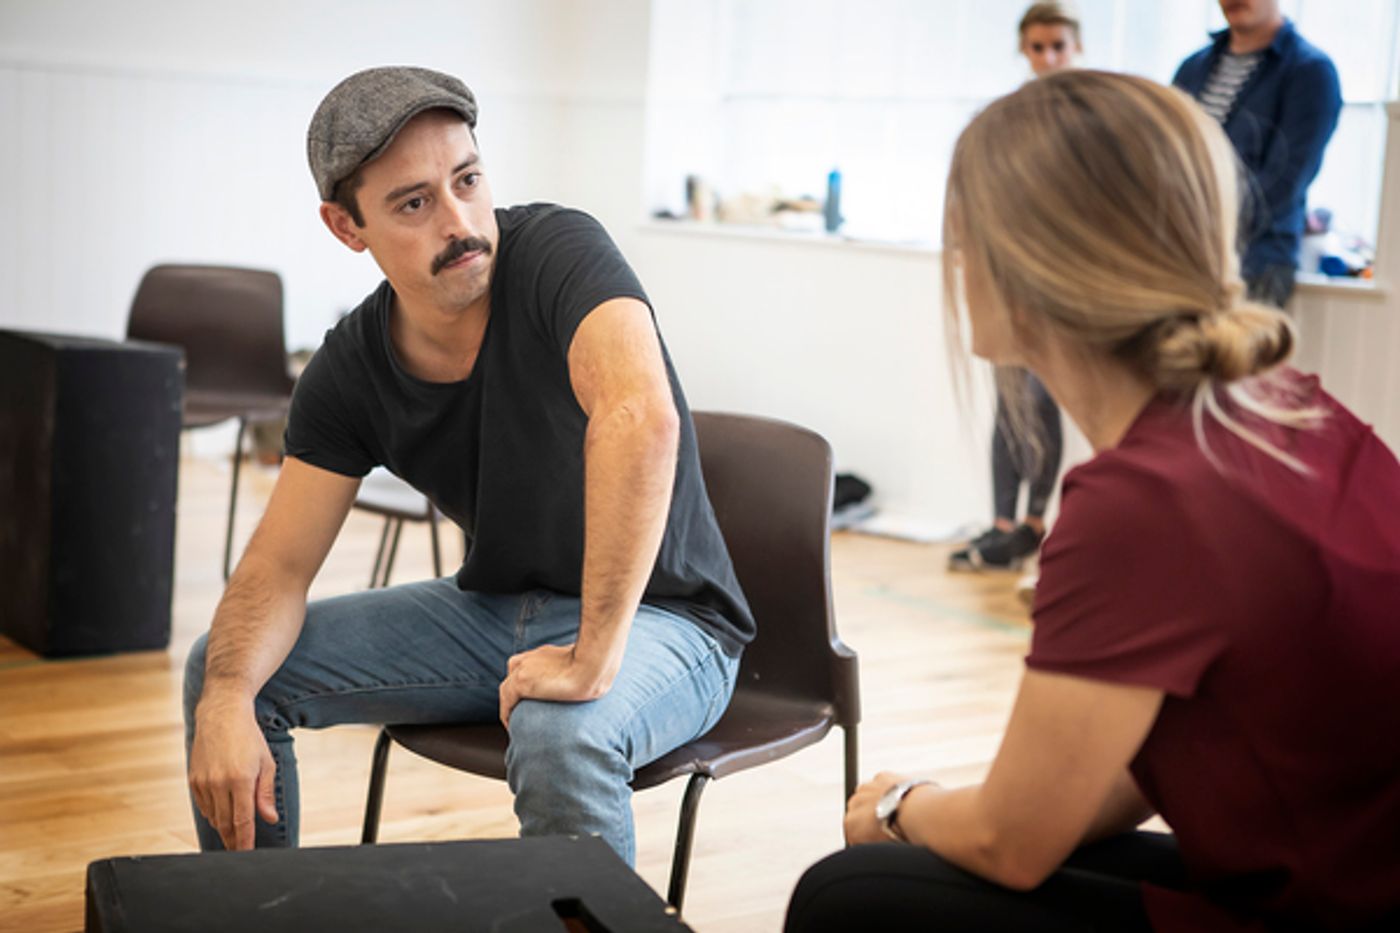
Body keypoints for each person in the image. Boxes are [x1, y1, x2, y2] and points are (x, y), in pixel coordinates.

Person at [787, 69, 1400, 932]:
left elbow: (1011, 841)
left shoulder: (1142, 502)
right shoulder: (1292, 409)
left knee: (846, 897)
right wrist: (944, 812)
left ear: (1031, 266)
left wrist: (900, 806)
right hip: (1344, 868)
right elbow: (1127, 765)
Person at [183, 66, 752, 866]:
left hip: (669, 619)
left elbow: (639, 417)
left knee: (560, 731)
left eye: (468, 180)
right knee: (226, 670)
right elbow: (276, 568)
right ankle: (250, 912)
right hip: (497, 612)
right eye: (414, 203)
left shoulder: (558, 251)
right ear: (347, 228)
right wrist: (228, 698)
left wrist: (594, 651)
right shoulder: (349, 371)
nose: (460, 222)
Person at [948, 1, 1078, 576]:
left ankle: (1035, 522)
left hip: (1063, 280)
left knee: (1046, 402)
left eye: (1058, 46)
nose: (1047, 57)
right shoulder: (1006, 118)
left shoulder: (1086, 120)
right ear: (1023, 50)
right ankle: (1003, 526)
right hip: (1010, 274)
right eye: (1037, 47)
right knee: (1010, 403)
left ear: (1075, 47)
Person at [1173, 0, 1341, 310]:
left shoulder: (1310, 72)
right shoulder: (1192, 68)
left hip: (1256, 263)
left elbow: (1284, 182)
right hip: (1185, 257)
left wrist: (1204, 226)